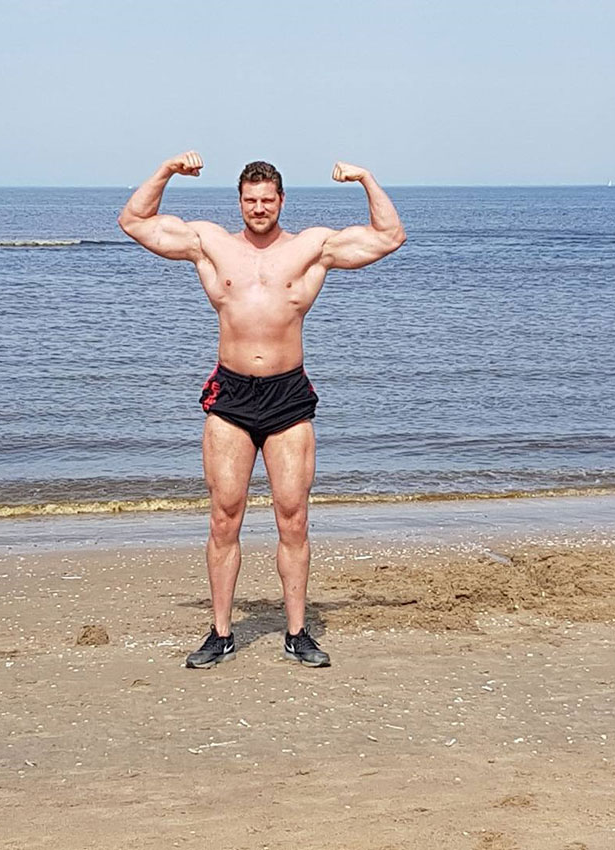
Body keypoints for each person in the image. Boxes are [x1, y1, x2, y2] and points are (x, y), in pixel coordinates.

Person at [118, 152, 405, 668]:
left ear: (280, 201)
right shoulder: (212, 243)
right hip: (230, 396)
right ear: (240, 202)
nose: (258, 208)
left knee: (292, 519)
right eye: (250, 200)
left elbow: (389, 236)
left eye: (267, 200)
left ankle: (297, 633)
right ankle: (222, 632)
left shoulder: (311, 247)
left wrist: (365, 177)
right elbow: (134, 222)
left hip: (288, 397)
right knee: (224, 518)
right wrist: (165, 170)